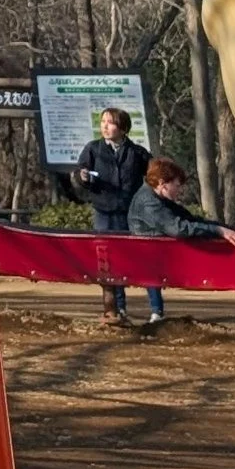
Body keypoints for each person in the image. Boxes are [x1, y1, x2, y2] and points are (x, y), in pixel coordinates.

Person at [125, 154, 235, 329]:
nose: (179, 190)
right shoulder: (150, 203)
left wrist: (232, 229)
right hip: (153, 256)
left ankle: (157, 312)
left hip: (157, 255)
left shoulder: (158, 198)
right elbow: (178, 229)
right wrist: (219, 231)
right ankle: (155, 313)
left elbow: (191, 220)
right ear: (163, 183)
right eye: (176, 185)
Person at [67, 105, 149, 328]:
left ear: (122, 128)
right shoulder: (93, 149)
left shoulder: (137, 152)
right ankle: (113, 307)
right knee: (106, 261)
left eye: (110, 122)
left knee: (129, 258)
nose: (105, 126)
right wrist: (82, 177)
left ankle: (149, 308)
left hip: (129, 212)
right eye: (102, 122)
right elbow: (79, 171)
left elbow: (153, 174)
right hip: (103, 211)